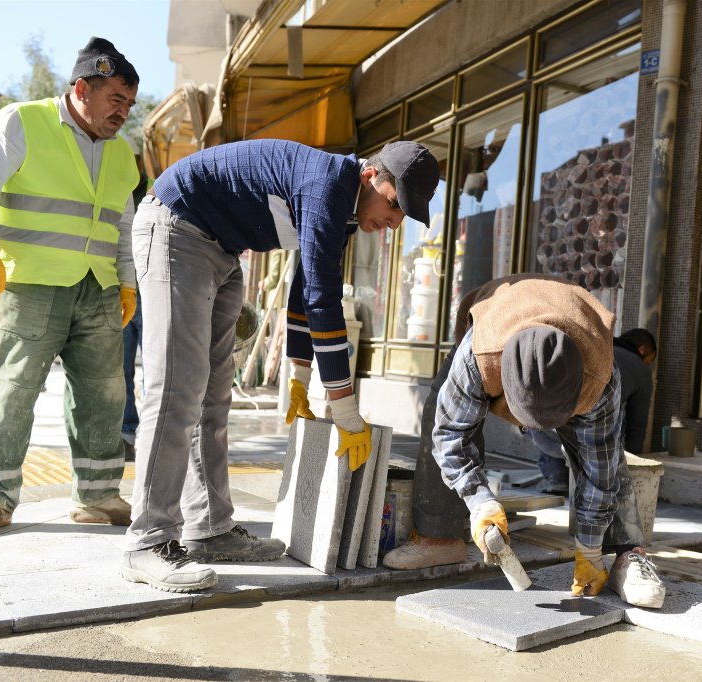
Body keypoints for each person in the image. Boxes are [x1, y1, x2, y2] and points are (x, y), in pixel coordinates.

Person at [120, 139, 440, 592]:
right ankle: (147, 541)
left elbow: (305, 283)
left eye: (401, 216)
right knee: (176, 389)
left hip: (221, 248)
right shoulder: (328, 184)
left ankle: (209, 529)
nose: (391, 223)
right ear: (371, 176)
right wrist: (344, 409)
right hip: (177, 228)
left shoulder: (343, 210)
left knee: (213, 396)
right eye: (393, 205)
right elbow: (321, 299)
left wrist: (301, 374)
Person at [0, 37, 141, 536]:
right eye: (115, 99)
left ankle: (98, 496)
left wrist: (127, 284)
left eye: (129, 104)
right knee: (11, 390)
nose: (123, 112)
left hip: (97, 288)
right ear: (82, 88)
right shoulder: (22, 121)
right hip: (27, 284)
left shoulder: (124, 154)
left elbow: (123, 227)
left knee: (104, 393)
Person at [382, 274, 665, 608]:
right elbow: (450, 434)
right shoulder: (478, 359)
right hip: (497, 319)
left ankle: (627, 555)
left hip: (578, 338)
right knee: (438, 412)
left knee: (606, 454)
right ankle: (439, 537)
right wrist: (480, 501)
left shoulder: (599, 378)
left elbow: (598, 467)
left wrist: (589, 549)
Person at [535, 328, 657, 495]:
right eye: (649, 360)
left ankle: (557, 477)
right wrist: (633, 459)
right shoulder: (641, 370)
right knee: (612, 415)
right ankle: (594, 482)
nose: (647, 365)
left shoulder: (595, 347)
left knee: (553, 423)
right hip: (592, 425)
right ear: (642, 350)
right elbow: (638, 420)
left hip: (549, 415)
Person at [121, 151, 150, 461]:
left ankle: (150, 434)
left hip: (151, 295)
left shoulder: (155, 196)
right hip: (121, 294)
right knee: (121, 369)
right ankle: (126, 433)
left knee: (154, 371)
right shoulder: (113, 198)